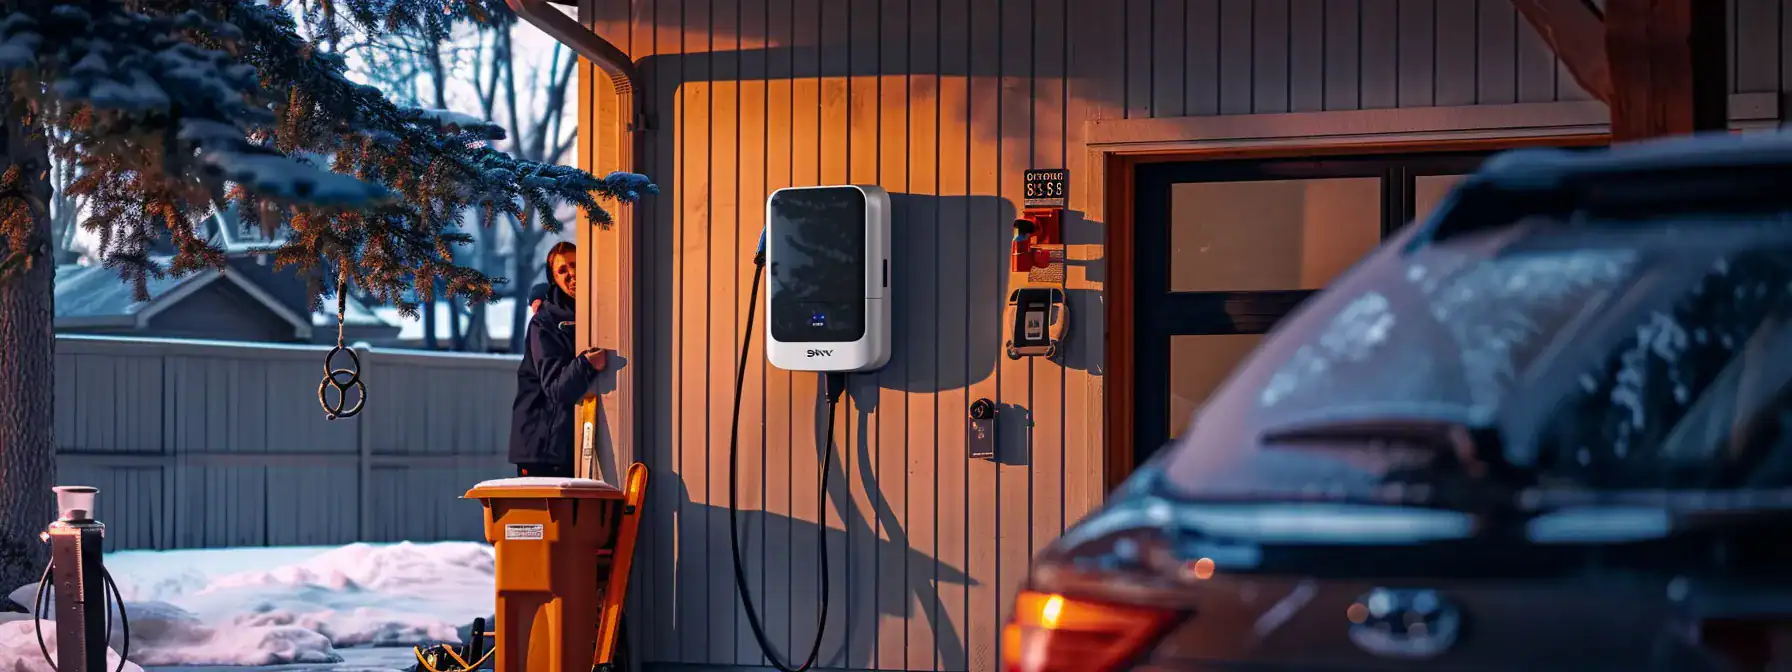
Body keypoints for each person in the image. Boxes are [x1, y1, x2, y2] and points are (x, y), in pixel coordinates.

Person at [509, 242, 606, 477]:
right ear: (554, 280)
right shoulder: (545, 323)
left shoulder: (590, 311)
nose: (571, 273)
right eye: (562, 270)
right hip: (543, 450)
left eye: (575, 265)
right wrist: (587, 364)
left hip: (569, 445)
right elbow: (556, 388)